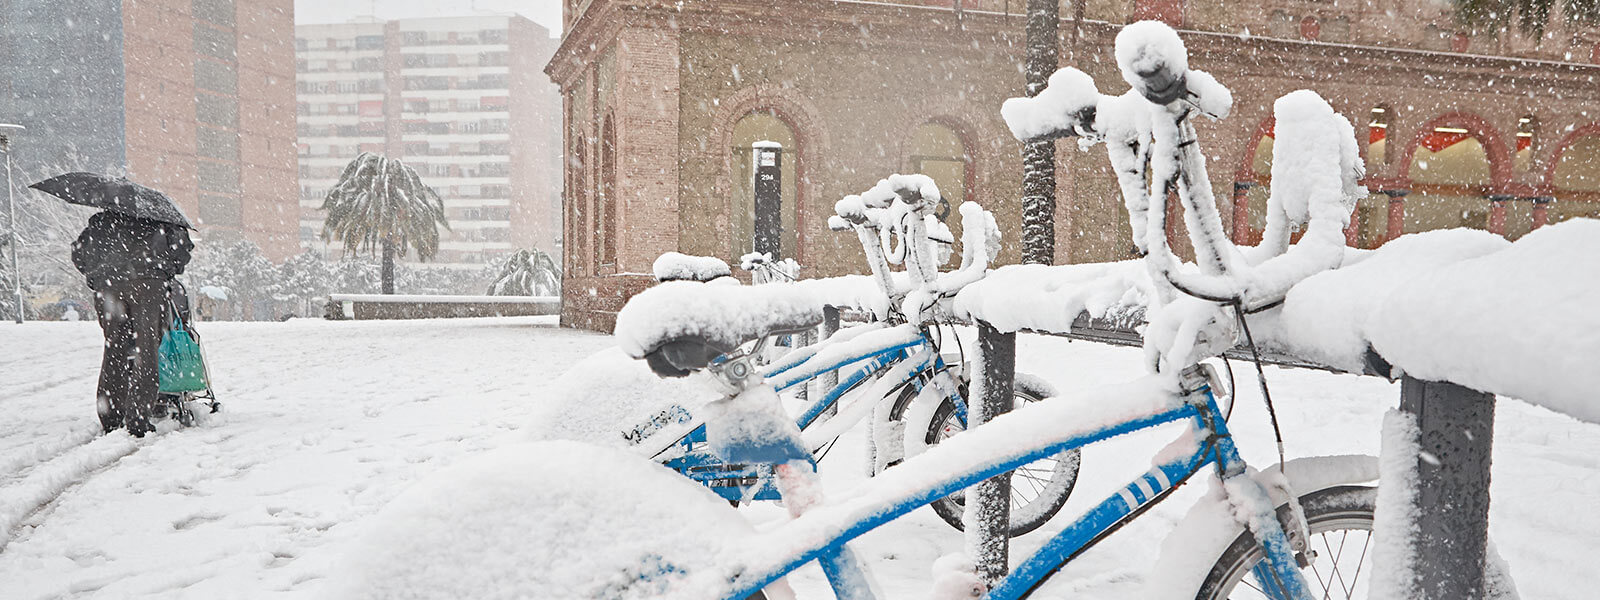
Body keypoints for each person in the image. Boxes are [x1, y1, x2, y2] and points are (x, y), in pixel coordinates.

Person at [71, 211, 193, 436]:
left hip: (108, 288)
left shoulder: (100, 222)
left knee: (114, 350)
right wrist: (167, 270)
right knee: (146, 351)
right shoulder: (159, 218)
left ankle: (111, 416)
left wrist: (98, 276)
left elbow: (79, 253)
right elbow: (182, 250)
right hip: (148, 285)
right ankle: (138, 418)